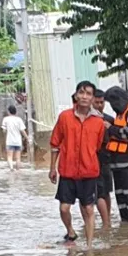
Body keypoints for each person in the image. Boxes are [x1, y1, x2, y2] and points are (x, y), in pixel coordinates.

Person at [50, 81, 105, 246]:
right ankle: (71, 231)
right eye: (81, 92)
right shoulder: (65, 117)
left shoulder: (98, 122)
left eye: (88, 94)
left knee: (89, 209)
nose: (84, 97)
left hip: (89, 172)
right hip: (67, 171)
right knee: (64, 208)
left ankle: (89, 247)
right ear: (76, 95)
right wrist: (52, 168)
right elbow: (55, 143)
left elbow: (97, 146)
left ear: (93, 98)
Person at [103, 86, 128, 222]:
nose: (112, 106)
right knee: (121, 197)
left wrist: (111, 128)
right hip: (117, 164)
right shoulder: (119, 115)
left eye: (113, 102)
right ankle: (126, 228)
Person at [92, 89, 112, 227]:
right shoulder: (88, 120)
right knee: (99, 193)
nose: (99, 105)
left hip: (106, 160)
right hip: (93, 161)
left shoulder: (109, 120)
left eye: (102, 102)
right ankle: (106, 223)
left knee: (106, 192)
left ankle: (107, 222)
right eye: (97, 102)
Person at [1, 105, 27, 170]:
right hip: (18, 142)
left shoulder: (5, 119)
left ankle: (11, 168)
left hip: (10, 141)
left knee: (9, 157)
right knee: (18, 158)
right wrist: (27, 138)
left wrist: (6, 130)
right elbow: (22, 131)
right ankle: (18, 170)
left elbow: (4, 130)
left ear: (9, 112)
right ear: (15, 112)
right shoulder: (19, 119)